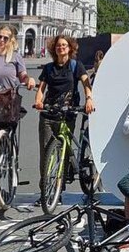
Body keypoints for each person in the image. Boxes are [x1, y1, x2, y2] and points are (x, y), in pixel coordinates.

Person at [33, 35, 95, 176]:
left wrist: (89, 99)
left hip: (68, 113)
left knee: (64, 150)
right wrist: (38, 101)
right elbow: (42, 88)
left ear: (69, 48)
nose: (60, 48)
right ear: (54, 49)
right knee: (45, 152)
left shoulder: (76, 66)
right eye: (58, 46)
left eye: (64, 45)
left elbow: (86, 83)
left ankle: (60, 189)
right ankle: (45, 192)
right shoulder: (49, 68)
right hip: (49, 112)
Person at [0, 25, 34, 174]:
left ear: (11, 40)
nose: (1, 40)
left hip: (9, 102)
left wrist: (28, 80)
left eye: (5, 38)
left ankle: (9, 155)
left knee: (7, 132)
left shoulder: (15, 57)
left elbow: (22, 75)